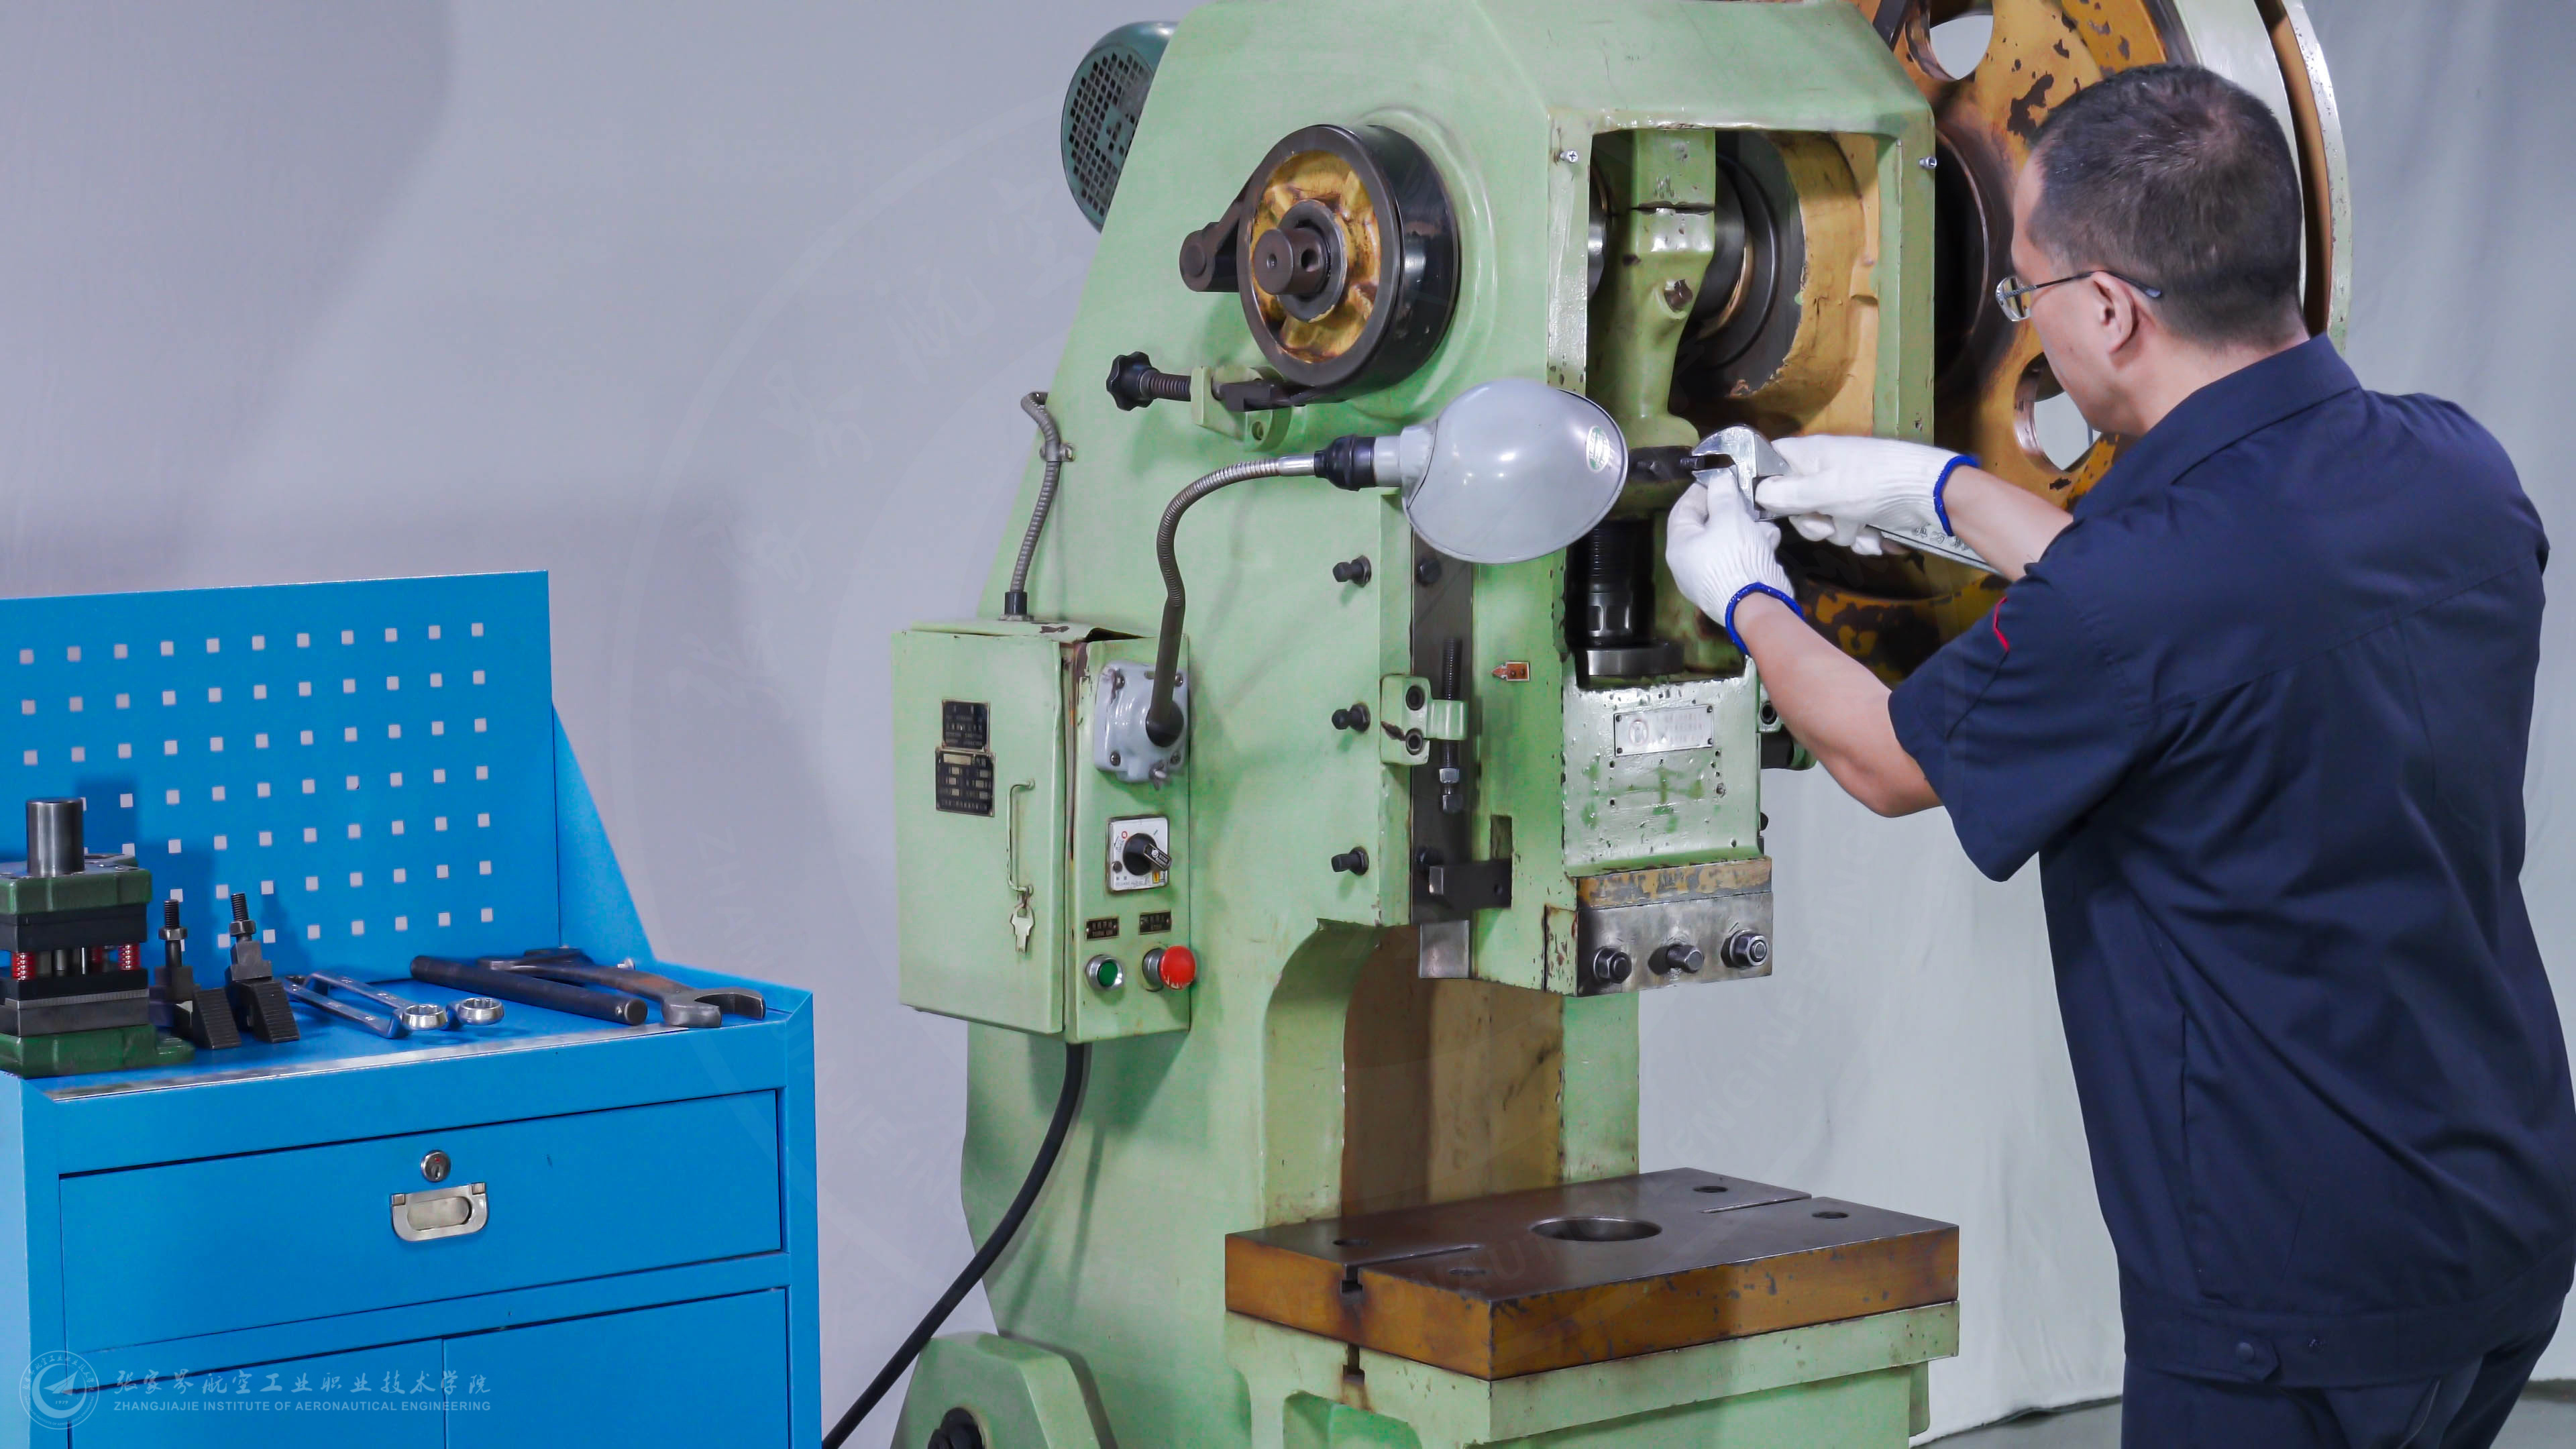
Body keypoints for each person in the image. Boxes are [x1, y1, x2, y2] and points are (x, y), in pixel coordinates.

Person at [1664, 64, 2574, 1449]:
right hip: (2501, 1234)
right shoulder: (2457, 469)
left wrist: (1743, 592)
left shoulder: (2137, 596)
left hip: (2286, 1304)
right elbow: (2222, 594)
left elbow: (1887, 759)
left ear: (2108, 309)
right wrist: (1940, 493)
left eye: (2024, 291)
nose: (2022, 317)